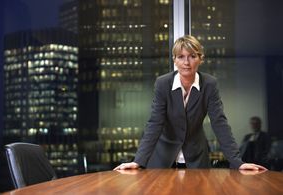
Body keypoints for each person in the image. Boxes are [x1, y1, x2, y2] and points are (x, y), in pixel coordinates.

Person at [114, 35, 266, 171]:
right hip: (163, 158)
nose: (186, 62)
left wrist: (237, 162)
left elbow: (219, 123)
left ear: (201, 58)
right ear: (174, 60)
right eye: (181, 57)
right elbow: (155, 123)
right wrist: (138, 161)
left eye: (192, 56)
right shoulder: (163, 83)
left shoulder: (209, 84)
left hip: (196, 158)